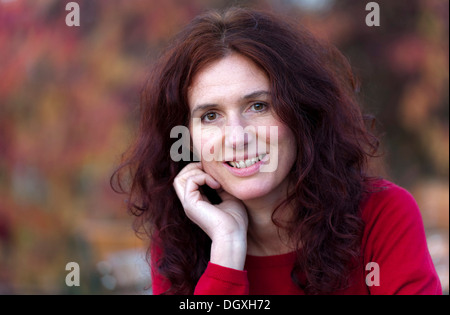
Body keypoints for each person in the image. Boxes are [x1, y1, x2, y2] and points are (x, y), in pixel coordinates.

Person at [112, 7, 442, 295]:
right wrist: (227, 249)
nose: (237, 137)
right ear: (187, 137)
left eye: (258, 106)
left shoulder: (381, 215)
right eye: (210, 116)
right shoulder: (178, 240)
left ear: (303, 113)